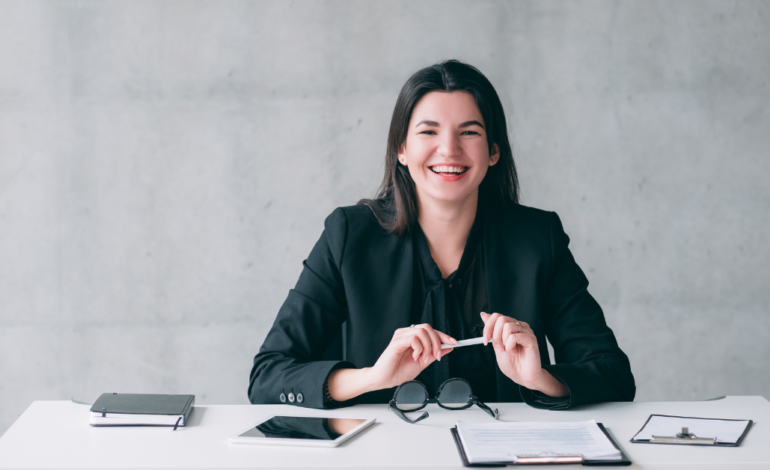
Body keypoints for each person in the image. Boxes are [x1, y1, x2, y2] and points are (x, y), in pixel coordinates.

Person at [248, 60, 635, 411]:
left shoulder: (538, 238)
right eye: (428, 131)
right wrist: (371, 378)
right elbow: (267, 376)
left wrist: (539, 379)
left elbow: (613, 375)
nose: (448, 149)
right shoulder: (348, 235)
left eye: (469, 132)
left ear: (494, 151)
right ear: (402, 149)